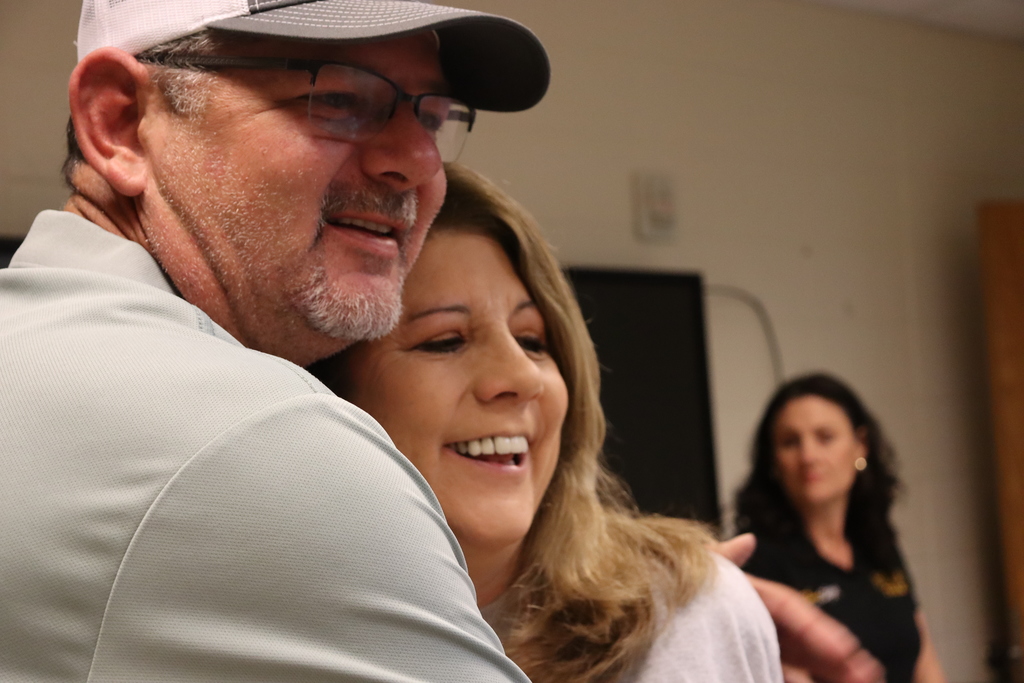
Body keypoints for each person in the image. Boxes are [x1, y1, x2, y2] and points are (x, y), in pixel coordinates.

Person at [0, 1, 550, 680]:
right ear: (121, 123)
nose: (418, 161)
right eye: (341, 99)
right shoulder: (262, 439)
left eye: (432, 118)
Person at [312, 163, 834, 682]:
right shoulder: (284, 637)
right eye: (445, 341)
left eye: (533, 341)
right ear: (330, 393)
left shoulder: (689, 620)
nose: (521, 376)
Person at [735, 373, 948, 683]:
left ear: (860, 445)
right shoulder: (759, 563)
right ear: (773, 460)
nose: (808, 456)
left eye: (825, 437)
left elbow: (925, 656)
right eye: (790, 442)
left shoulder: (877, 543)